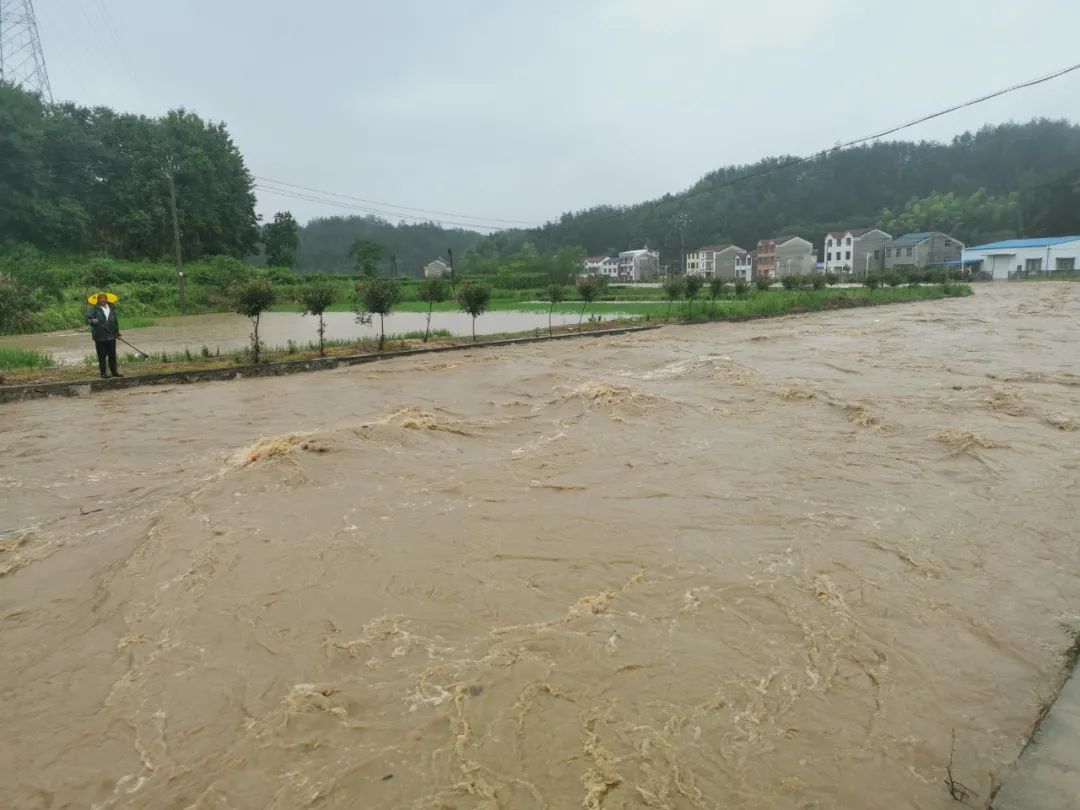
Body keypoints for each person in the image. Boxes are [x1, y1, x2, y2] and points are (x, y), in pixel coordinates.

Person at [87, 292, 123, 378]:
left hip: (111, 335)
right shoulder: (94, 309)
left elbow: (115, 322)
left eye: (104, 298)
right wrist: (92, 321)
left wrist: (117, 333)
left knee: (112, 355)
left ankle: (114, 372)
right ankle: (103, 373)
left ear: (107, 299)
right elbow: (88, 319)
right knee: (102, 355)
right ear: (98, 300)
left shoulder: (111, 308)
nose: (103, 299)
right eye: (101, 298)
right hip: (100, 336)